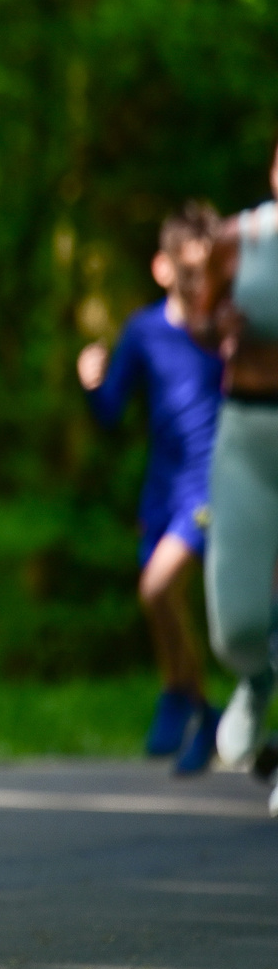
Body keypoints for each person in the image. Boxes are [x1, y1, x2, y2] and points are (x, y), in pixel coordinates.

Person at [76, 203, 223, 774]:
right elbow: (111, 412)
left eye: (204, 270)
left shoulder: (224, 331)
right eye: (185, 270)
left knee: (157, 588)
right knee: (165, 606)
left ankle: (176, 693)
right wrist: (92, 384)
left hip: (210, 485)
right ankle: (204, 711)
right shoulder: (143, 332)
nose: (195, 282)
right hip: (160, 489)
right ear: (162, 268)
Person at [201, 137, 278, 806]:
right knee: (237, 620)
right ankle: (255, 679)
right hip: (247, 429)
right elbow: (198, 321)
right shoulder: (238, 237)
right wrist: (220, 322)